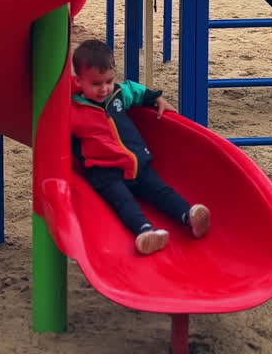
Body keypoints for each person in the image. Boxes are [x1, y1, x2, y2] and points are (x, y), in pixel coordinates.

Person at [69, 39, 210, 255]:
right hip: (105, 172)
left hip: (136, 165)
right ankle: (144, 231)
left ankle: (188, 215)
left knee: (160, 190)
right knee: (123, 202)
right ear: (79, 81)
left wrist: (157, 100)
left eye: (109, 80)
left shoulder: (117, 94)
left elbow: (136, 91)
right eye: (96, 84)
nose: (104, 89)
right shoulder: (75, 109)